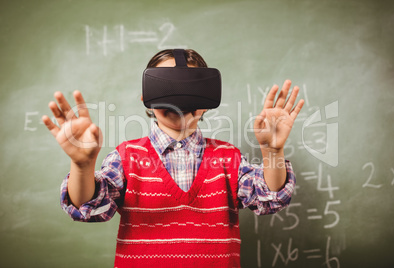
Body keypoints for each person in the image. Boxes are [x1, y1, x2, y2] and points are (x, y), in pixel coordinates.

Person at [42, 49, 304, 267]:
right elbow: (89, 206)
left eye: (191, 88)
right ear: (146, 98)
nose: (179, 100)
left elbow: (270, 198)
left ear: (207, 100)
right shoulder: (127, 158)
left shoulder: (227, 158)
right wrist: (82, 165)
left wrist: (272, 152)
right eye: (167, 86)